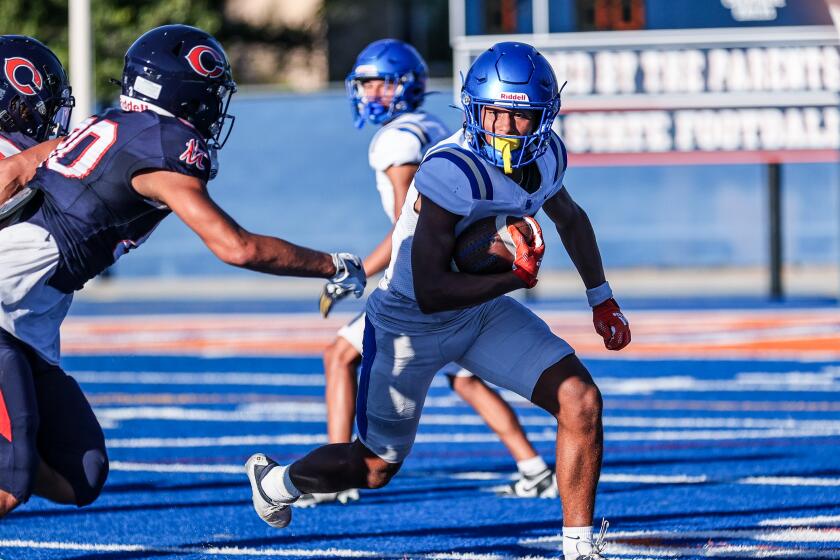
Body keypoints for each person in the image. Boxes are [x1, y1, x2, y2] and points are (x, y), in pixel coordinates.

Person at [247, 41, 630, 559]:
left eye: (523, 118)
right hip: (410, 322)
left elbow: (570, 218)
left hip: (481, 312)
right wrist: (511, 279)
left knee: (580, 400)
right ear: (474, 109)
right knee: (375, 467)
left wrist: (601, 297)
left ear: (545, 116)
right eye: (496, 114)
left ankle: (580, 550)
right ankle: (277, 482)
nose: (507, 130)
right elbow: (429, 290)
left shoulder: (547, 154)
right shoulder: (451, 167)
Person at [0, 24, 366, 516]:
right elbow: (236, 247)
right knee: (12, 479)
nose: (215, 108)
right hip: (6, 306)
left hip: (29, 322)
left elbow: (17, 171)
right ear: (185, 93)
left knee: (77, 474)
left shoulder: (107, 127)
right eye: (209, 95)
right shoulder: (163, 145)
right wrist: (331, 263)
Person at [304, 39, 557, 508]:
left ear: (403, 85)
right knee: (463, 377)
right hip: (472, 267)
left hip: (434, 283)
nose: (367, 93)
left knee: (338, 354)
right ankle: (533, 467)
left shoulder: (398, 139)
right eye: (364, 84)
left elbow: (409, 226)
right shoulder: (435, 125)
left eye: (376, 83)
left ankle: (340, 473)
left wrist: (360, 269)